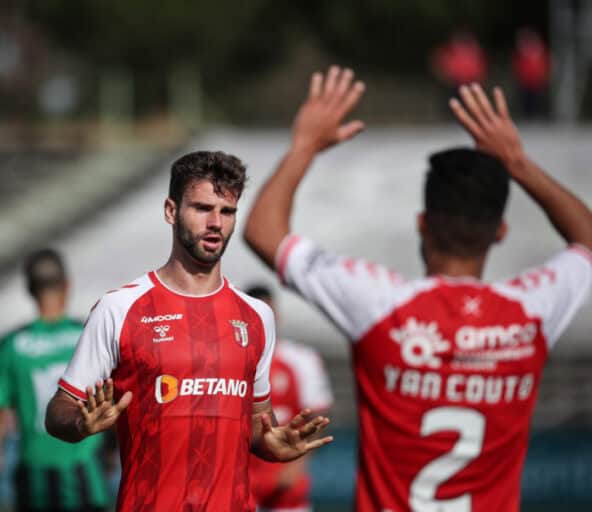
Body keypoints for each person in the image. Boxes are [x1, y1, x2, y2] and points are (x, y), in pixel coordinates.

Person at [243, 66, 592, 511]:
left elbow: (263, 230)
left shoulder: (378, 302)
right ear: (501, 231)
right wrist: (518, 163)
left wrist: (305, 145)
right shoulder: (532, 311)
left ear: (422, 225)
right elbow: (587, 240)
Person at [44, 151, 333, 511]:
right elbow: (58, 411)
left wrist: (274, 443)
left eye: (227, 212)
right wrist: (79, 423)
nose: (216, 222)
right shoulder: (119, 309)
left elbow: (259, 423)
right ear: (171, 210)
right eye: (202, 208)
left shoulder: (257, 316)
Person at [0, 249, 113, 512]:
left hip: (34, 477)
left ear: (29, 290)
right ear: (66, 285)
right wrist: (113, 452)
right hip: (86, 473)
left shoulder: (10, 346)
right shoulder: (89, 336)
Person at [245, 284, 334, 512]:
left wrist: (298, 464)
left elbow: (320, 416)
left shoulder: (301, 360)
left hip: (285, 490)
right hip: (241, 486)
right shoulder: (228, 362)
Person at [512, 27, 550, 119]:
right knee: (526, 100)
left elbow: (544, 63)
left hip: (537, 80)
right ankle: (527, 116)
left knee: (536, 100)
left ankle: (536, 116)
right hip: (525, 80)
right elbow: (518, 65)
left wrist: (544, 75)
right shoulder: (523, 51)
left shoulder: (539, 50)